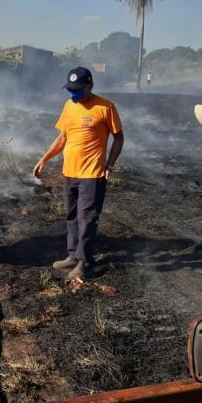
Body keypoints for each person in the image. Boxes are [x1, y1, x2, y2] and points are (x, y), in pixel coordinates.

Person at [33, 67, 123, 281]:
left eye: (78, 90)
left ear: (90, 86)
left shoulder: (105, 107)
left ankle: (85, 262)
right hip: (70, 172)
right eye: (71, 90)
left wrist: (109, 165)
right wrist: (44, 158)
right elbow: (62, 138)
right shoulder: (69, 106)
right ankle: (73, 255)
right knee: (72, 216)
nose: (73, 95)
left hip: (92, 174)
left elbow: (118, 138)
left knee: (87, 218)